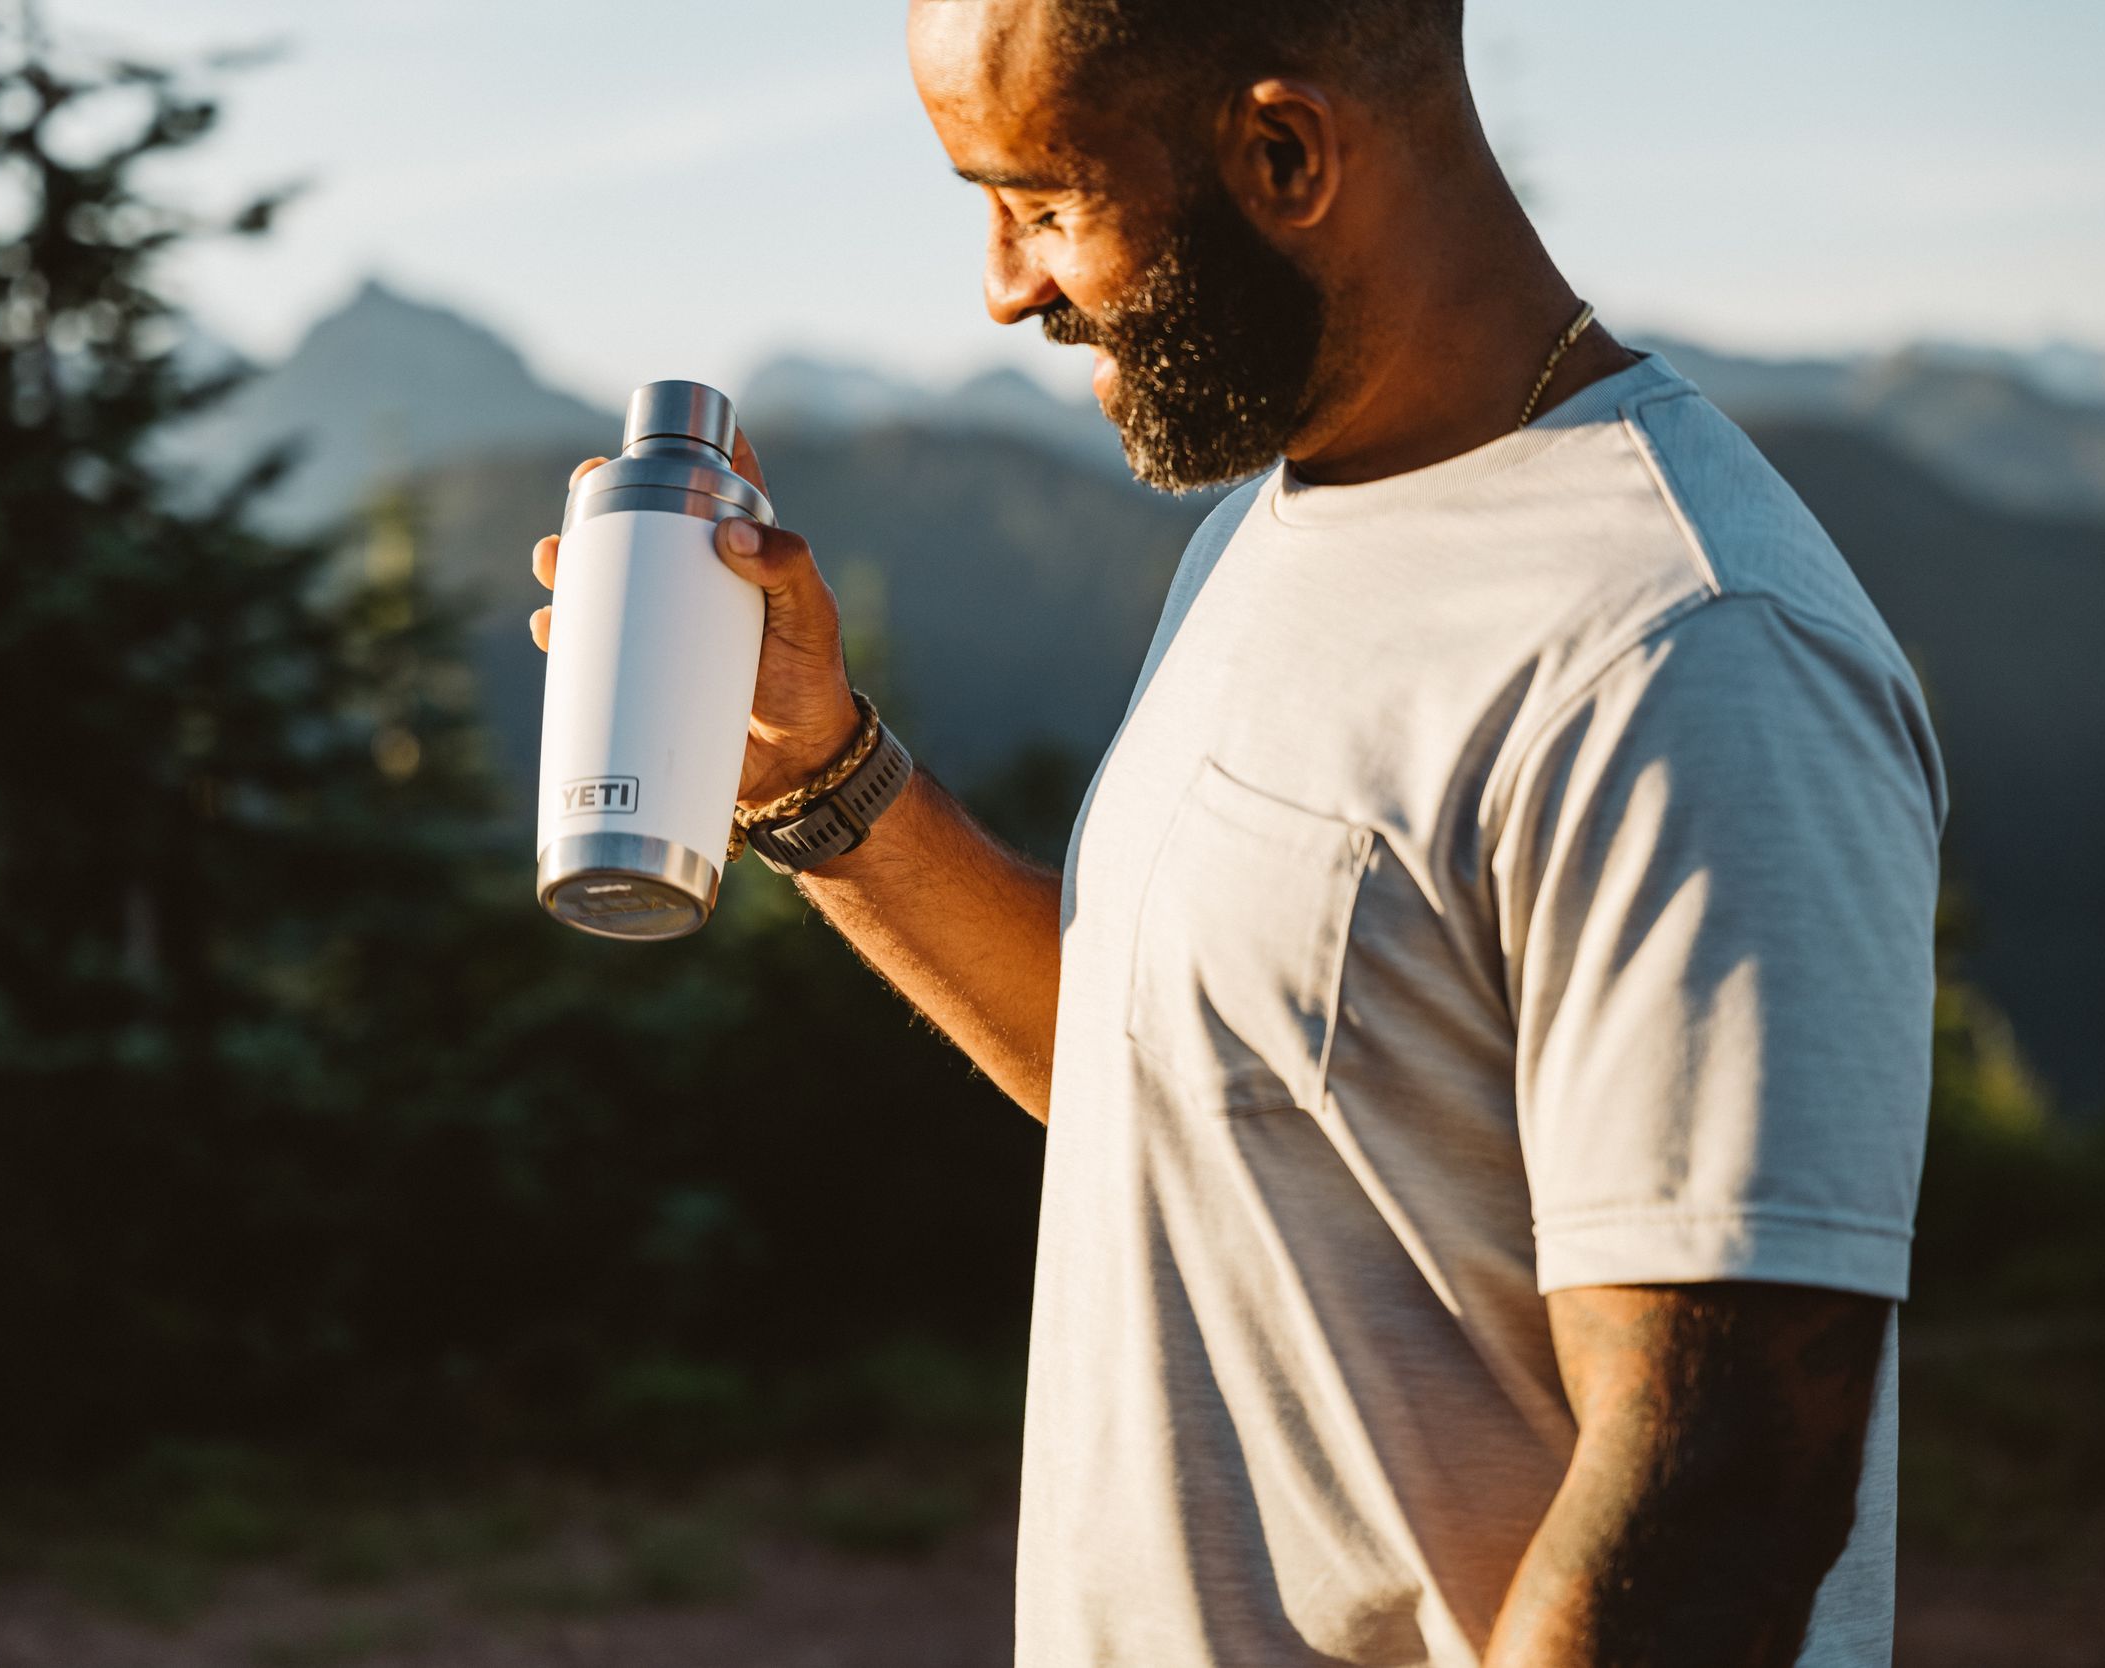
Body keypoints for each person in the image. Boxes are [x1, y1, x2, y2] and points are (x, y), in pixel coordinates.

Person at [529, 2, 1946, 1662]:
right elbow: (1183, 1071)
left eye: (1043, 202)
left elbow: (1714, 1499)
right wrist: (812, 772)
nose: (1004, 288)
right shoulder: (1281, 521)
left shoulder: (1686, 647)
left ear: (1283, 154)